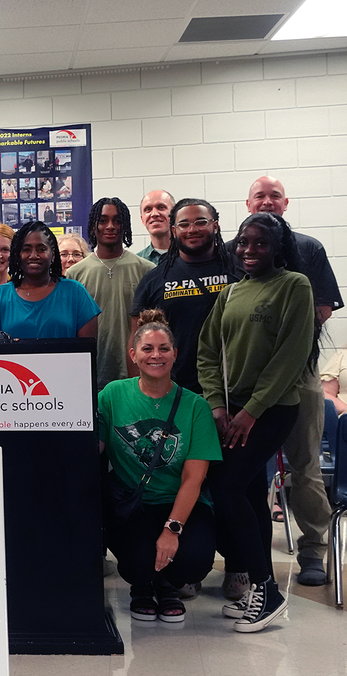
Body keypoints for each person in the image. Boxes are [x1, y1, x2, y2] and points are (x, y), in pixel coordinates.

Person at [198, 212, 317, 632]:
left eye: (260, 243)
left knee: (226, 488)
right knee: (246, 495)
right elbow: (207, 352)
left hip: (271, 410)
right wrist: (217, 406)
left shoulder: (294, 286)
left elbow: (291, 357)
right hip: (230, 411)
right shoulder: (230, 293)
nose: (249, 251)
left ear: (277, 247)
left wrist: (252, 411)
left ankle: (266, 588)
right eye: (243, 242)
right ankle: (259, 589)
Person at [233, 175, 342, 588]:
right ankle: (251, 554)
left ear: (286, 203)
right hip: (247, 373)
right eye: (259, 196)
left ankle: (314, 547)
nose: (267, 201)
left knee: (306, 465)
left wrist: (281, 341)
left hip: (300, 371)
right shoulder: (236, 249)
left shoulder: (309, 249)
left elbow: (323, 308)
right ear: (247, 203)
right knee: (246, 468)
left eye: (274, 196)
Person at [99, 310, 220, 622]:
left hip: (181, 502)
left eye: (164, 348)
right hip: (133, 504)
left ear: (175, 354)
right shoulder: (112, 395)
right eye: (148, 349)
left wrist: (172, 529)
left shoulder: (196, 406)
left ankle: (169, 584)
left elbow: (194, 478)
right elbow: (94, 446)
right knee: (137, 562)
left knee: (193, 561)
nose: (156, 355)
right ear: (133, 355)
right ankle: (143, 584)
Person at [131, 199, 238, 393]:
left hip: (235, 388)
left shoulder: (239, 271)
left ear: (215, 225)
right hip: (177, 390)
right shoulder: (155, 278)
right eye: (184, 224)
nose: (192, 229)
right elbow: (137, 337)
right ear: (173, 231)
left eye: (200, 222)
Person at [67, 198, 155, 390]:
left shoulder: (146, 270)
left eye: (117, 220)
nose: (110, 226)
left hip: (135, 375)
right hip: (90, 373)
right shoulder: (74, 274)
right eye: (103, 220)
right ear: (93, 225)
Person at [0, 222, 98, 339]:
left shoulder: (75, 292)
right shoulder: (0, 296)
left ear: (53, 255)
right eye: (26, 249)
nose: (34, 255)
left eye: (41, 249)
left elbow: (88, 351)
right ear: (18, 255)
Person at [136, 190, 175, 264]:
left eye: (161, 207)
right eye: (148, 209)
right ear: (142, 219)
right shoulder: (137, 263)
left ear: (175, 214)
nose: (154, 214)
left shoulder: (192, 256)